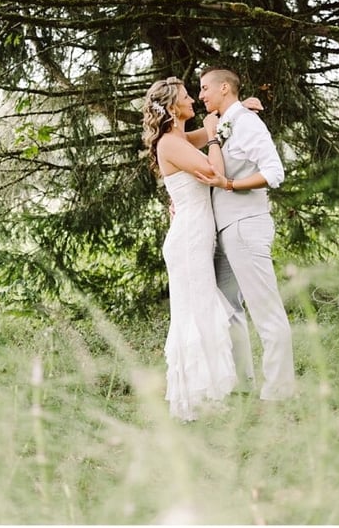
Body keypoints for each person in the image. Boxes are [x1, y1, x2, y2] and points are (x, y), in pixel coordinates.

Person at [190, 66, 296, 401]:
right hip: (225, 229)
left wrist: (231, 184)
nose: (201, 95)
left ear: (224, 88)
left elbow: (274, 172)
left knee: (265, 310)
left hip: (246, 226)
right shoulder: (224, 123)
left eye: (205, 88)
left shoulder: (247, 123)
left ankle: (279, 391)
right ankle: (242, 382)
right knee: (226, 307)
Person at [141, 76, 238, 421]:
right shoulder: (169, 142)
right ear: (171, 108)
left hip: (194, 233)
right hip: (188, 239)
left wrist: (240, 110)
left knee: (199, 309)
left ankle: (205, 393)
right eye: (186, 97)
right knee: (195, 312)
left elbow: (217, 132)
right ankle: (198, 398)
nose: (194, 100)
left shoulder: (179, 138)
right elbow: (214, 169)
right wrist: (212, 135)